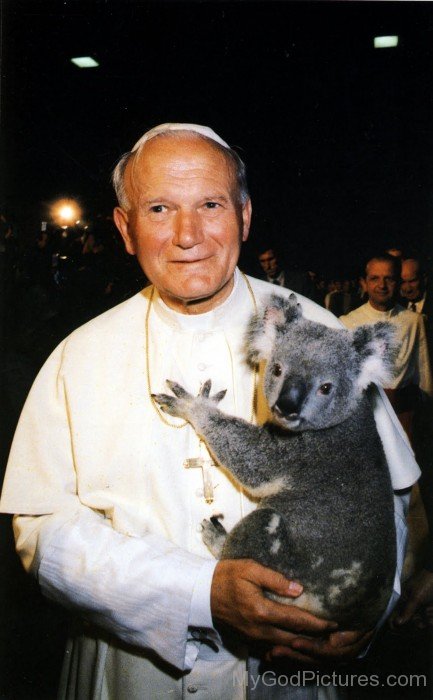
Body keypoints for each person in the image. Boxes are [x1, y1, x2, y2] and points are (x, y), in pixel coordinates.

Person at [0, 124, 420, 698]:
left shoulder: (319, 334)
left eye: (211, 205)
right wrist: (198, 591)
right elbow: (42, 533)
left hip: (292, 674)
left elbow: (389, 496)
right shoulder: (78, 357)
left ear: (245, 216)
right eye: (159, 208)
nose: (187, 235)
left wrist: (368, 611)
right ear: (125, 229)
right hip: (133, 674)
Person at [340, 254, 433, 440]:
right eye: (375, 278)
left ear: (398, 282)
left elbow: (424, 379)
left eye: (389, 279)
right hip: (364, 419)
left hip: (404, 417)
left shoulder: (413, 322)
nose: (382, 286)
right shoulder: (347, 323)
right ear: (364, 283)